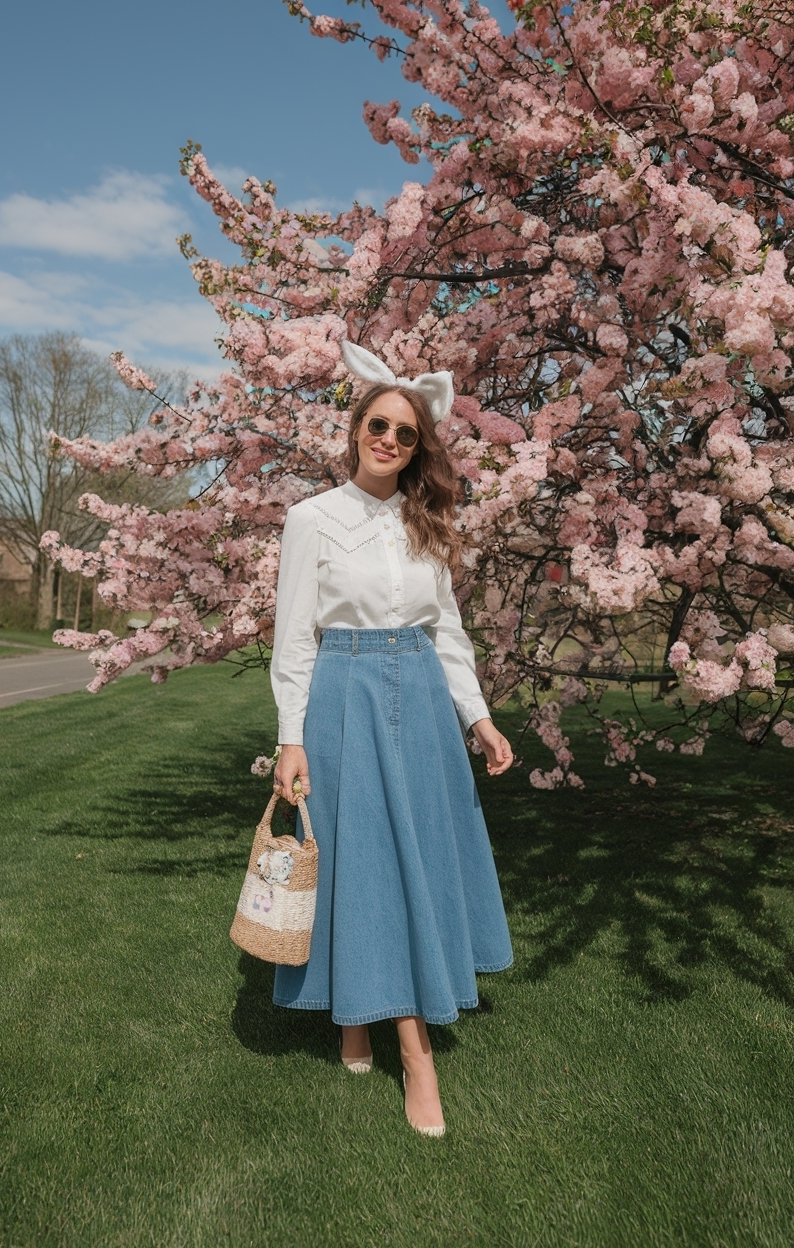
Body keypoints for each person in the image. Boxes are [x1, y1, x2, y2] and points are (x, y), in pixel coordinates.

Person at [270, 341, 514, 1137]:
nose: (390, 441)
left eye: (406, 433)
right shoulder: (310, 519)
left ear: (420, 445)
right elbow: (294, 640)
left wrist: (477, 718)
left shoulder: (426, 518)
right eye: (379, 425)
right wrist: (290, 738)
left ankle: (360, 1019)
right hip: (345, 698)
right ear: (356, 430)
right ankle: (414, 1054)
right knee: (360, 861)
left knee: (416, 856)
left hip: (420, 696)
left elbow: (447, 632)